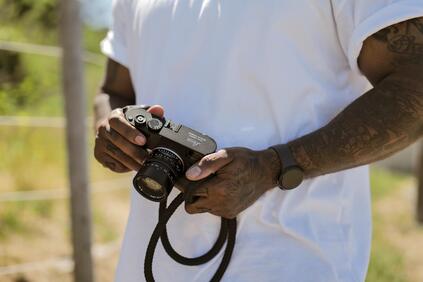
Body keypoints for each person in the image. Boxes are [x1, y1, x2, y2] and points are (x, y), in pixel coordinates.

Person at [93, 1, 423, 281]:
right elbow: (113, 91)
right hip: (149, 263)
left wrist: (275, 166)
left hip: (291, 262)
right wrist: (111, 128)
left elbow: (415, 87)